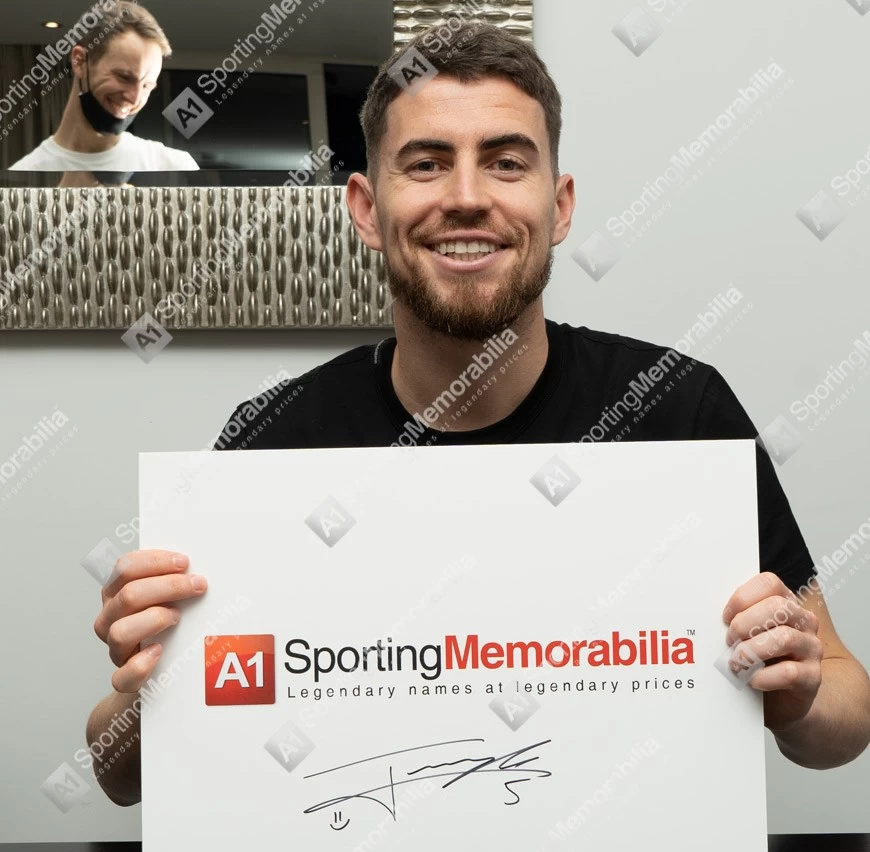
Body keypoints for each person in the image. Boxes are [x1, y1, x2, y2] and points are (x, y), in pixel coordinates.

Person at [86, 22, 870, 809]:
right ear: (366, 209)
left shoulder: (678, 407)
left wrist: (796, 694)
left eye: (506, 163)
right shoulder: (275, 440)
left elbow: (847, 709)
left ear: (559, 207)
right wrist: (153, 684)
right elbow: (120, 779)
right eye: (426, 164)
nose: (466, 198)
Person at [9, 1, 197, 173]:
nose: (135, 99)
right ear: (79, 61)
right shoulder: (25, 174)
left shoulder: (175, 168)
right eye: (124, 77)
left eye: (147, 85)